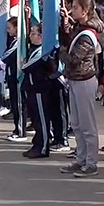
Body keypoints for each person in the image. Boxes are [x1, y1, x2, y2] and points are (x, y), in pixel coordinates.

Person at [59, 0, 104, 178]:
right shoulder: (80, 28)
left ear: (85, 11)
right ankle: (81, 158)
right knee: (76, 123)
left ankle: (91, 162)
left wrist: (61, 52)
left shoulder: (88, 33)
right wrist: (66, 23)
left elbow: (74, 58)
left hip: (85, 79)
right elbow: (70, 39)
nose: (72, 10)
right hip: (75, 79)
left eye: (76, 8)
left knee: (87, 124)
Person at [22, 23, 65, 159]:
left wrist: (22, 63)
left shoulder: (43, 52)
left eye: (33, 33)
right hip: (32, 88)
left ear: (41, 37)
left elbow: (26, 67)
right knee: (35, 119)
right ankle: (37, 143)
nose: (30, 36)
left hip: (40, 88)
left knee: (42, 119)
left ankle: (43, 147)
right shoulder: (34, 50)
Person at [1, 17, 28, 142]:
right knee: (14, 104)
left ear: (17, 28)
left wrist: (0, 59)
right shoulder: (14, 40)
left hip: (18, 77)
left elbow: (7, 56)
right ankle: (17, 129)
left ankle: (20, 131)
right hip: (11, 76)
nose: (7, 31)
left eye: (9, 28)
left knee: (19, 105)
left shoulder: (20, 42)